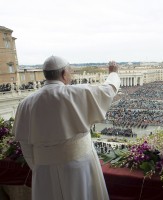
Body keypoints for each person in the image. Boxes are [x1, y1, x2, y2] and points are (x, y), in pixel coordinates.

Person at [12, 55, 120, 200]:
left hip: (43, 170)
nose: (72, 74)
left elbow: (25, 144)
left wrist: (41, 166)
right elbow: (108, 90)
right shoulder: (76, 93)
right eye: (70, 71)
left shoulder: (25, 103)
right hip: (78, 166)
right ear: (63, 74)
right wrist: (113, 73)